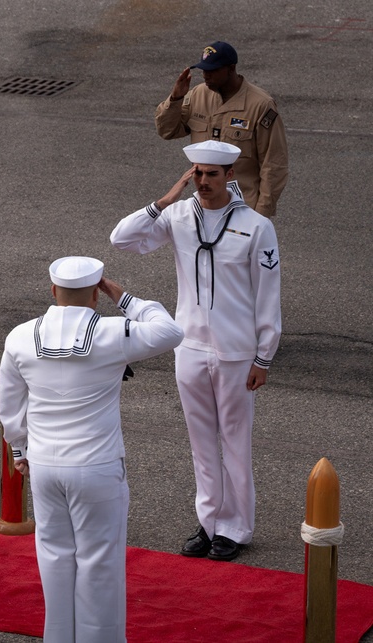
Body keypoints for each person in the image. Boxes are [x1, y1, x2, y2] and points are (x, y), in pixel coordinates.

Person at [110, 140, 282, 562]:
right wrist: (163, 200)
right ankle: (210, 522)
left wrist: (264, 356)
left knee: (235, 441)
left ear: (229, 177)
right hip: (189, 346)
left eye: (211, 174)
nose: (203, 182)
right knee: (201, 442)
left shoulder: (256, 227)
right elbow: (121, 240)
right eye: (197, 174)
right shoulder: (178, 215)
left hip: (237, 352)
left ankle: (236, 527)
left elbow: (268, 297)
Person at [0, 257, 183, 643]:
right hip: (96, 467)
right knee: (100, 564)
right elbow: (170, 331)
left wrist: (19, 450)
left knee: (54, 559)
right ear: (96, 294)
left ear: (52, 291)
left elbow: (9, 403)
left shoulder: (19, 337)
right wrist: (124, 296)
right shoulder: (114, 333)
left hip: (44, 465)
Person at [154, 41, 288, 218]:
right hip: (204, 206)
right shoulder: (197, 95)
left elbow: (274, 164)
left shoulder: (260, 105)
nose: (206, 75)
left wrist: (261, 214)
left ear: (231, 69)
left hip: (243, 209)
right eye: (204, 70)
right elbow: (167, 131)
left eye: (213, 70)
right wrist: (176, 98)